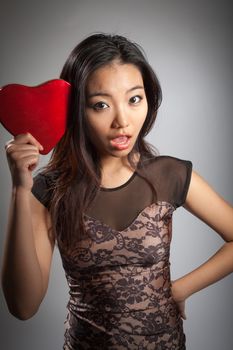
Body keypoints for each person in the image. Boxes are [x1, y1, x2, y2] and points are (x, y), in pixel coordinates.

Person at [1, 33, 233, 350]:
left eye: (134, 99)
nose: (122, 121)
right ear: (76, 110)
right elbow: (23, 307)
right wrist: (19, 188)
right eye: (101, 105)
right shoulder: (51, 188)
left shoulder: (170, 175)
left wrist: (181, 289)